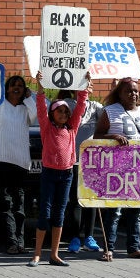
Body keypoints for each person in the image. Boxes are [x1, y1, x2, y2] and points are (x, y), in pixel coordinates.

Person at [94, 77, 140, 261]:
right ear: (119, 94)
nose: (133, 94)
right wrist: (113, 136)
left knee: (137, 211)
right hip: (117, 169)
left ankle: (134, 248)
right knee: (115, 211)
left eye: (136, 91)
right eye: (129, 91)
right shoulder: (110, 111)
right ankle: (109, 249)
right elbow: (97, 135)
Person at [27, 71, 89, 267]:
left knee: (59, 213)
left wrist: (84, 85)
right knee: (45, 213)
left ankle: (54, 255)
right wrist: (41, 86)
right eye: (59, 111)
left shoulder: (72, 129)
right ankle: (37, 254)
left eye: (65, 112)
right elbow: (40, 105)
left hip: (67, 174)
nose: (63, 114)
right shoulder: (47, 127)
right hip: (49, 174)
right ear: (52, 113)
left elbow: (80, 106)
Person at [0, 75, 37, 254]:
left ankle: (21, 243)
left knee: (20, 205)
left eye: (20, 85)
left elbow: (36, 114)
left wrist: (29, 96)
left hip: (19, 162)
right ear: (6, 88)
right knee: (6, 203)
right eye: (13, 85)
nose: (16, 88)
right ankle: (12, 242)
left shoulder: (25, 108)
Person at [57, 85, 102, 254]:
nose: (87, 88)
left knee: (90, 199)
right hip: (73, 160)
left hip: (91, 161)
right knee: (75, 201)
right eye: (83, 85)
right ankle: (75, 237)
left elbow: (108, 120)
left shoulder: (96, 106)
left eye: (89, 85)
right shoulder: (68, 103)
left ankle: (89, 236)